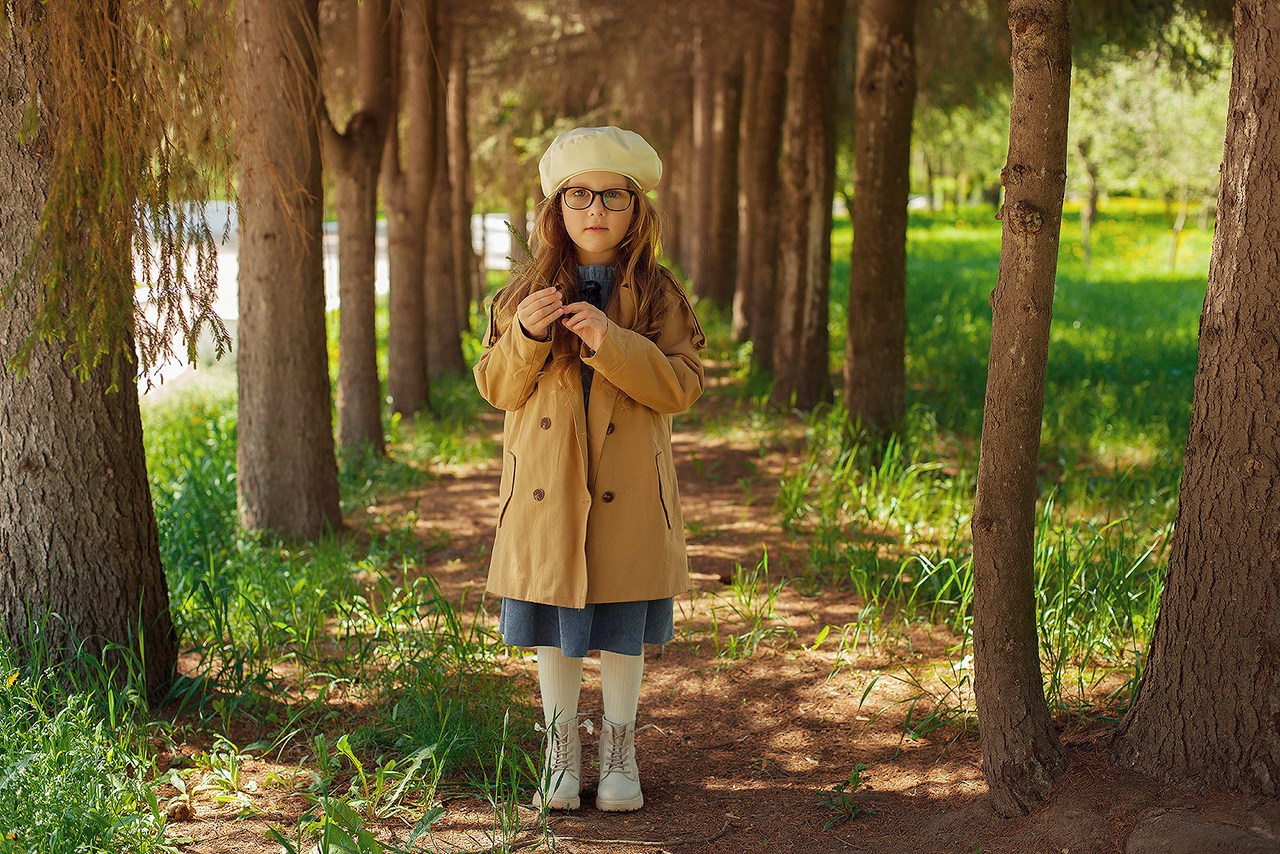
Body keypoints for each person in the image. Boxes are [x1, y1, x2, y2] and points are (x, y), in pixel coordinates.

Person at [473, 126, 705, 813]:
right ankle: (561, 755)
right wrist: (528, 335)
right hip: (546, 498)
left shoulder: (660, 294)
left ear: (636, 209)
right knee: (555, 627)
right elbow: (495, 387)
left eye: (611, 195)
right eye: (578, 194)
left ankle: (621, 754)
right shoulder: (524, 291)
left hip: (627, 494)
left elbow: (682, 388)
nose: (594, 209)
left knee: (621, 627)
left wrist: (613, 343)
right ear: (556, 207)